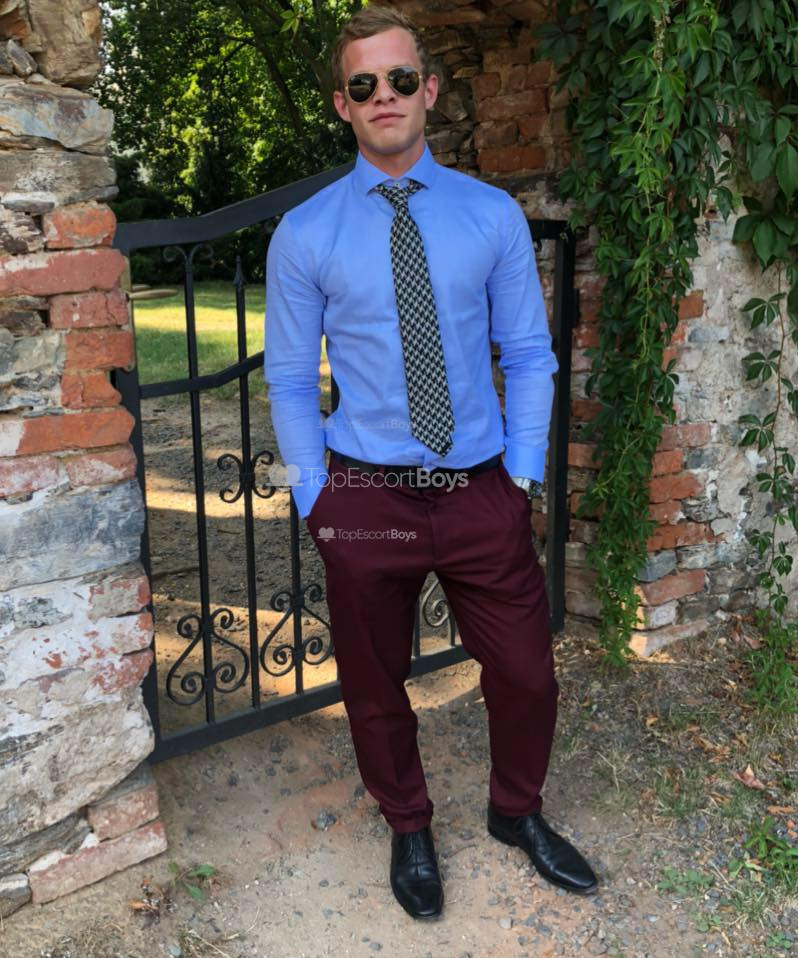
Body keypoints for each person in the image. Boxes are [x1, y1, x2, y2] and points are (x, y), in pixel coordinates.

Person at [263, 4, 597, 920]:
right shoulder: (306, 233)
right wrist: (316, 499)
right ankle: (408, 823)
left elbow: (527, 354)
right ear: (343, 104)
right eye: (364, 84)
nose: (386, 96)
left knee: (527, 673)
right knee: (375, 686)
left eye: (401, 78)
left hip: (481, 490)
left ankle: (515, 811)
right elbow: (288, 378)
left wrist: (520, 476)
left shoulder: (490, 216)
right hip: (365, 496)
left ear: (430, 90)